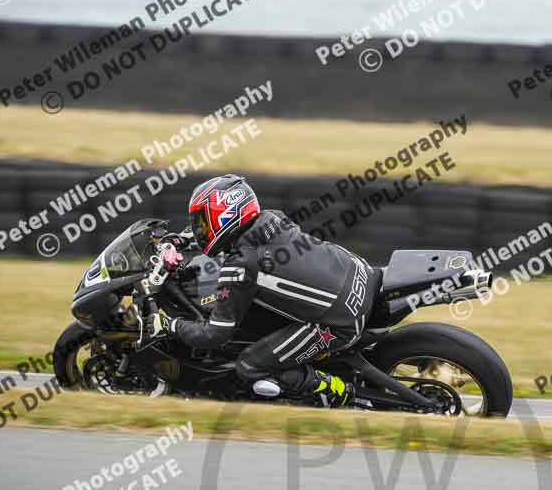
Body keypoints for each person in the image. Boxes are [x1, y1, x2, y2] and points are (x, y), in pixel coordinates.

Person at [147, 174, 381, 407]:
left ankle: (340, 392)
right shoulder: (272, 219)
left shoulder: (242, 265)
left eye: (202, 223)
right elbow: (235, 242)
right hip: (359, 274)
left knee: (249, 366)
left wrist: (169, 325)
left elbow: (215, 334)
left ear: (225, 216)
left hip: (340, 322)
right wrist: (185, 238)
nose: (200, 230)